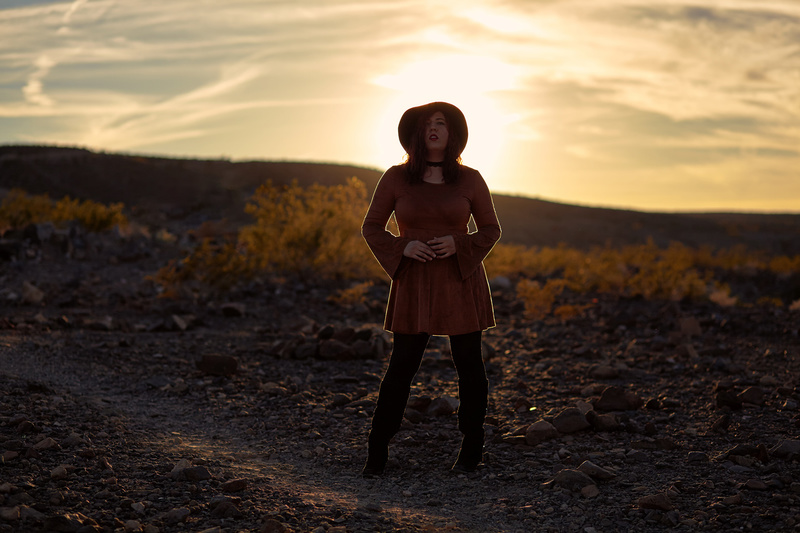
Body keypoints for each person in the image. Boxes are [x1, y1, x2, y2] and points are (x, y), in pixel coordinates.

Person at [360, 101, 502, 476]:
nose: (434, 129)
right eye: (426, 124)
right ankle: (377, 451)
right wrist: (401, 246)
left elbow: (491, 229)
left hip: (460, 278)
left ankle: (471, 449)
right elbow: (371, 227)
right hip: (415, 281)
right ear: (416, 134)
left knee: (470, 366)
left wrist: (461, 243)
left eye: (441, 123)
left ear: (452, 133)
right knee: (402, 367)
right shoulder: (395, 177)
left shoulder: (470, 179)